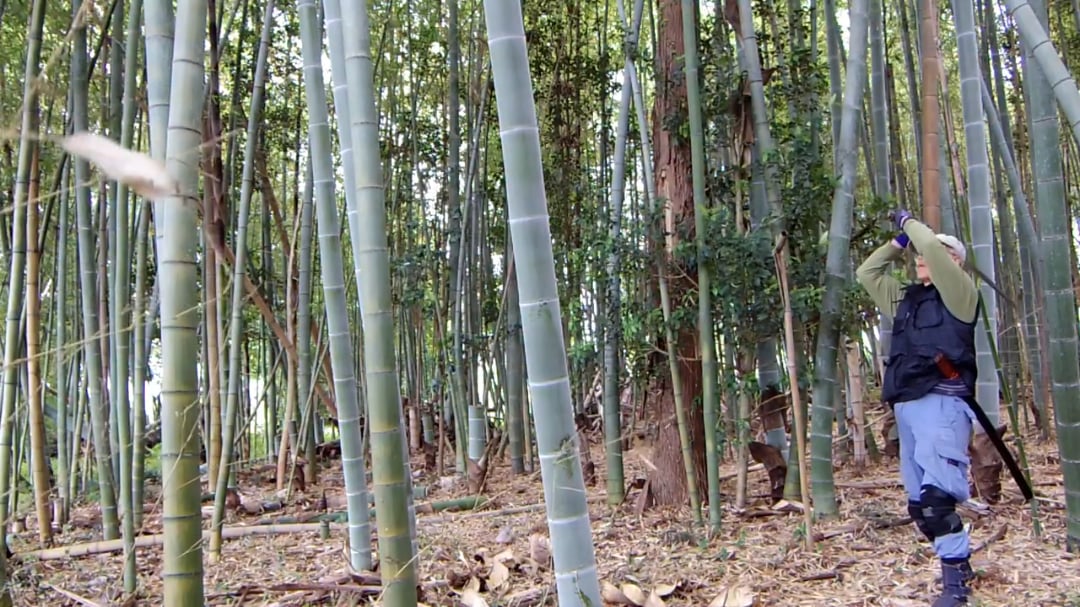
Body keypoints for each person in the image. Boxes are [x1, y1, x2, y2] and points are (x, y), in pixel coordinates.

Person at [856, 210, 980, 607]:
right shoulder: (908, 300)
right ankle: (957, 558)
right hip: (907, 406)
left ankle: (956, 582)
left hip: (943, 402)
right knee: (919, 507)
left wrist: (910, 223)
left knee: (937, 500)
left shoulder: (961, 294)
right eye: (924, 253)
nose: (924, 257)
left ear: (954, 262)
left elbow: (928, 244)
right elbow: (868, 273)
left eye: (938, 253)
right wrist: (899, 243)